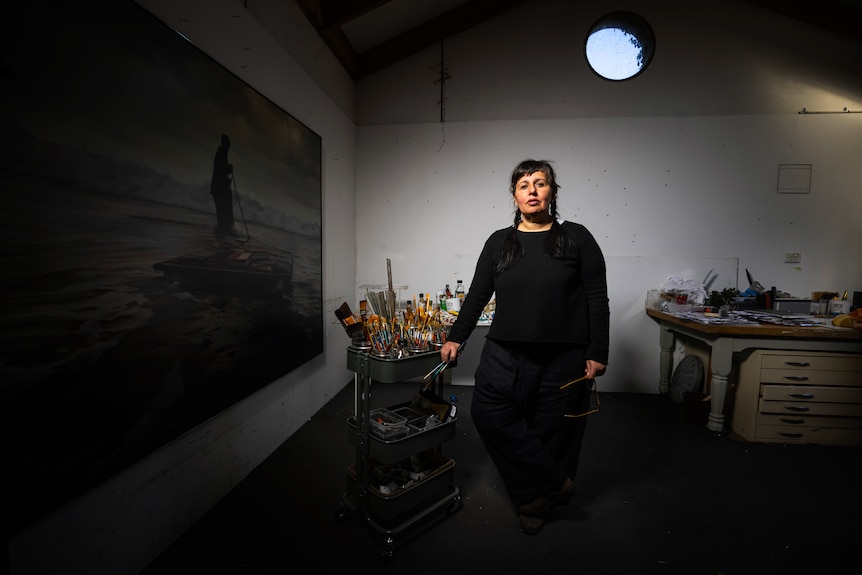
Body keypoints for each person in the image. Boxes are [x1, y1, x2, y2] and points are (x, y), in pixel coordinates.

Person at [439, 159, 610, 535]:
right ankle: (552, 484)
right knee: (487, 413)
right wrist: (457, 335)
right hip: (505, 351)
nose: (532, 190)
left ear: (552, 192)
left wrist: (599, 351)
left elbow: (597, 297)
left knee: (551, 428)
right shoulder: (500, 241)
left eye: (540, 183)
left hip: (564, 354)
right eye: (523, 185)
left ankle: (532, 502)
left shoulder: (577, 237)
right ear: (514, 196)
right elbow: (478, 294)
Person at [210, 133, 235, 235]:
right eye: (228, 145)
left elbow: (219, 173)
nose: (228, 148)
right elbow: (220, 171)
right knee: (223, 212)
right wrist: (229, 168)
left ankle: (224, 230)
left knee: (222, 213)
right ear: (226, 144)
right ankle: (224, 231)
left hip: (218, 189)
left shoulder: (222, 153)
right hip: (219, 190)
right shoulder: (221, 154)